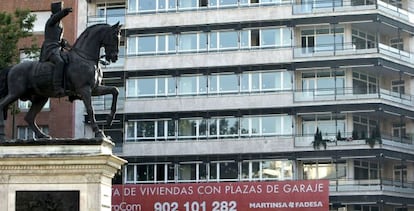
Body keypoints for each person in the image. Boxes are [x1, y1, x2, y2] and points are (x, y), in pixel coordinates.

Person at [39, 2, 72, 95]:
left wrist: (68, 45)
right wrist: (65, 12)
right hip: (50, 48)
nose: (61, 11)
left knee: (70, 60)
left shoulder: (59, 24)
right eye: (60, 10)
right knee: (60, 62)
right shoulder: (51, 21)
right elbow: (56, 17)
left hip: (58, 48)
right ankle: (57, 87)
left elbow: (59, 38)